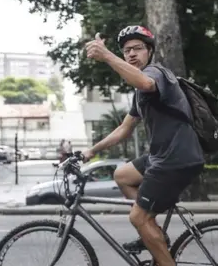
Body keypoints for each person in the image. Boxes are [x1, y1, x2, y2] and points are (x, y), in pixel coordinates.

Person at [82, 25, 205, 266]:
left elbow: (147, 83)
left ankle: (148, 230)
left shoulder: (157, 73)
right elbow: (123, 130)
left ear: (149, 51)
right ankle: (153, 233)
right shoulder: (140, 95)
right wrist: (91, 151)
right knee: (122, 174)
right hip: (161, 156)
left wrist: (107, 55)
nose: (131, 54)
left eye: (137, 48)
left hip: (176, 158)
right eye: (127, 50)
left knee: (137, 217)